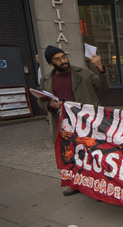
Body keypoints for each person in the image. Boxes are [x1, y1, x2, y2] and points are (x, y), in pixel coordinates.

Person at [37, 45, 109, 196]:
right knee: (72, 156)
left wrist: (100, 68)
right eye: (57, 59)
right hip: (65, 125)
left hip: (87, 123)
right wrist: (50, 104)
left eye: (64, 57)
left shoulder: (82, 72)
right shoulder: (46, 80)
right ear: (51, 63)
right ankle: (76, 184)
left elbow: (103, 86)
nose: (63, 61)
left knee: (94, 155)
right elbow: (41, 101)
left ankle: (99, 187)